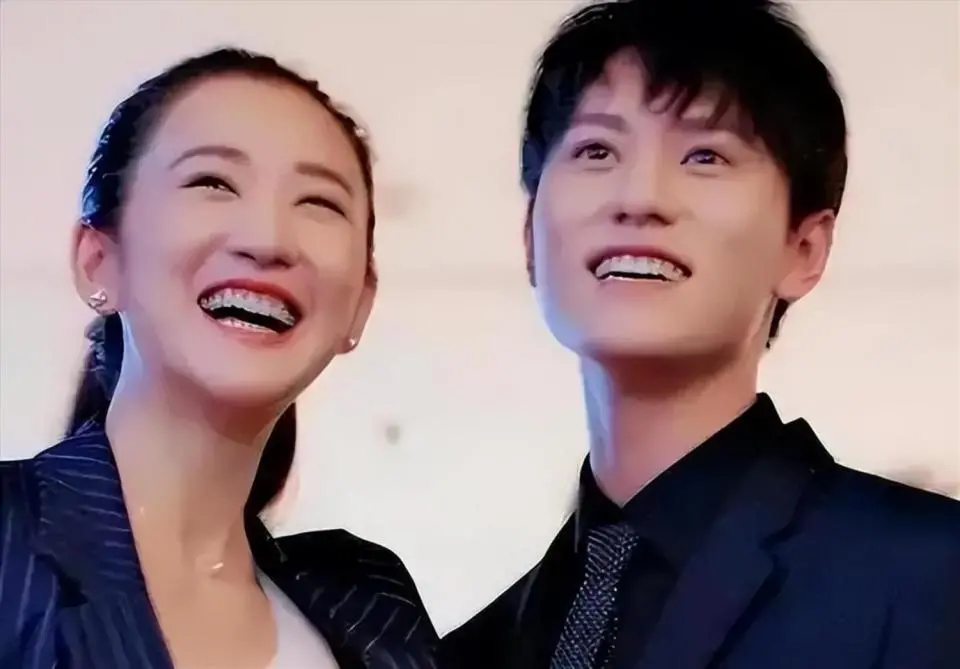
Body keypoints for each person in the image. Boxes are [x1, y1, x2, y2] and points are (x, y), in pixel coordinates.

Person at [441, 1, 960, 668]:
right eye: (597, 150)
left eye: (705, 155)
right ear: (530, 238)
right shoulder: (471, 651)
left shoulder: (932, 577)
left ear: (803, 247)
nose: (640, 198)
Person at [0, 48, 438, 669]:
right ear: (100, 261)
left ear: (360, 305)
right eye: (212, 183)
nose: (268, 240)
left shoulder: (375, 603)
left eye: (319, 202)